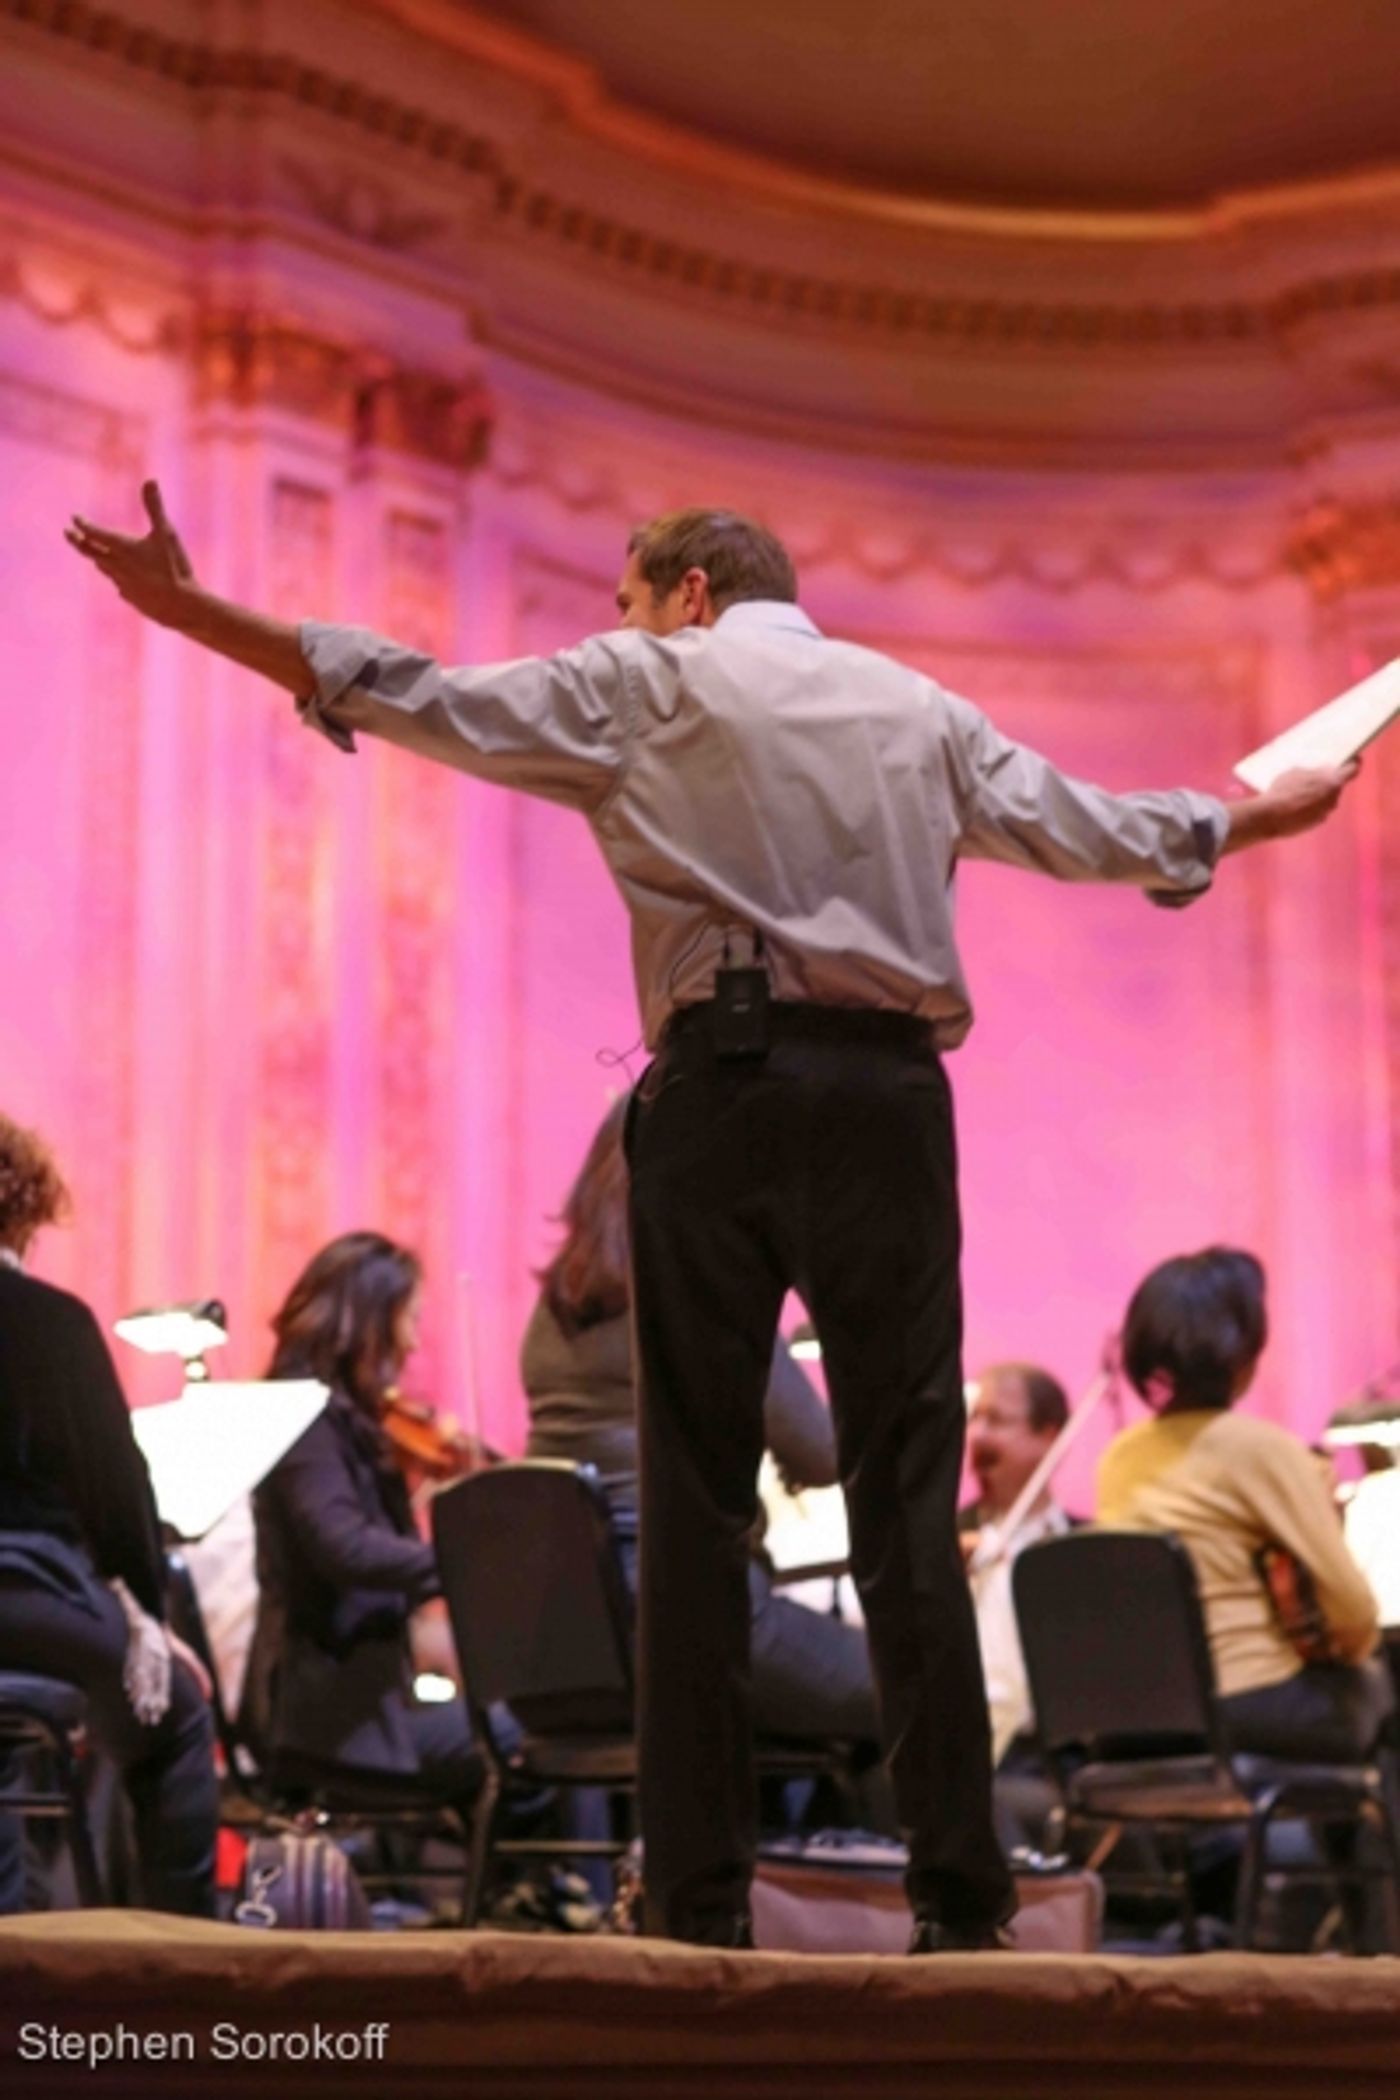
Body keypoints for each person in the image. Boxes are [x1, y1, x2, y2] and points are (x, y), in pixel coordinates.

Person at [67, 485, 1357, 1950]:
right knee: (907, 1506)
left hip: (721, 1099)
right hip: (890, 1112)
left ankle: (692, 1898)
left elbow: (419, 691)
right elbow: (1100, 829)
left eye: (622, 599)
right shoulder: (921, 707)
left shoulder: (648, 676)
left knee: (693, 1510)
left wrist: (196, 613)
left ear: (684, 592)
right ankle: (962, 1898)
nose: (614, 624)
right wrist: (1259, 817)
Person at [524, 1099, 885, 1759]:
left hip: (570, 1647)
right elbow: (824, 1454)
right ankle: (861, 1863)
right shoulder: (711, 1288)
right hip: (698, 1619)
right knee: (916, 1687)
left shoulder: (551, 1313)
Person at [0, 1113, 217, 1915]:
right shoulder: (51, 1322)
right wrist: (151, 1625)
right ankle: (180, 1973)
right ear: (25, 1210)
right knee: (180, 1725)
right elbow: (119, 1497)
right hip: (32, 1600)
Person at [1096, 1248, 1390, 1762]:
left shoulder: (1119, 1456)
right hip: (1242, 1705)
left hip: (1133, 1715)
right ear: (1245, 1348)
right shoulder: (1264, 1450)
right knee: (1376, 1687)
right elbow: (1353, 1613)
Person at [241, 1231, 479, 1804]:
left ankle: (534, 1891)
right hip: (327, 1715)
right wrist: (469, 1565)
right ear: (365, 1321)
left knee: (523, 1730)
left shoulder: (344, 1424)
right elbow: (343, 1547)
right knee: (534, 1740)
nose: (415, 1343)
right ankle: (556, 1891)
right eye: (408, 1320)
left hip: (363, 1702)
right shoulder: (303, 1419)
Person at [958, 1363, 1074, 1853]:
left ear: (1048, 1437)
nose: (977, 1435)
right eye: (974, 1419)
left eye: (997, 1420)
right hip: (963, 1753)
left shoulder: (1084, 1551)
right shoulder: (942, 1541)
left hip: (1050, 1759)